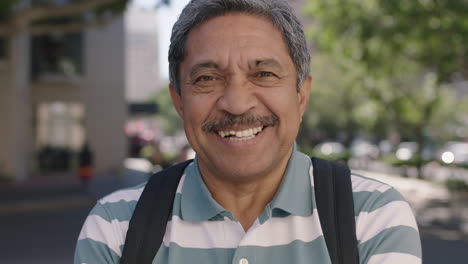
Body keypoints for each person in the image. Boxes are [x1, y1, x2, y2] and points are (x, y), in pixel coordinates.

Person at [74, 0, 422, 263]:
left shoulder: (372, 215)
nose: (237, 104)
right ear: (178, 100)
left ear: (301, 96)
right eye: (207, 78)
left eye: (264, 75)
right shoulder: (115, 227)